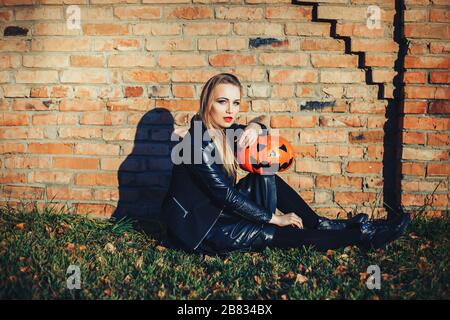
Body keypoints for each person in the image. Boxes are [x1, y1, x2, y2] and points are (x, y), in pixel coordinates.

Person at [160, 73, 410, 256]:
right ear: (207, 103)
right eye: (222, 102)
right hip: (204, 228)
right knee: (279, 235)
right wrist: (274, 218)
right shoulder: (195, 142)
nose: (231, 110)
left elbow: (262, 121)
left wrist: (255, 127)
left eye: (236, 103)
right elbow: (225, 195)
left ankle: (320, 223)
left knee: (264, 172)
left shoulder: (224, 131)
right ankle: (363, 236)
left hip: (219, 211)